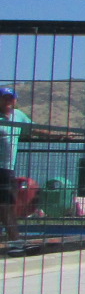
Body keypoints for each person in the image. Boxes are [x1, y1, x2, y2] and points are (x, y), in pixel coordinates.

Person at [0, 87, 32, 242]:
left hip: (7, 168)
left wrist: (61, 135)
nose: (8, 101)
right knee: (5, 205)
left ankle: (13, 240)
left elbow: (33, 128)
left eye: (11, 98)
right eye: (4, 98)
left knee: (6, 204)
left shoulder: (18, 115)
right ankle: (15, 240)